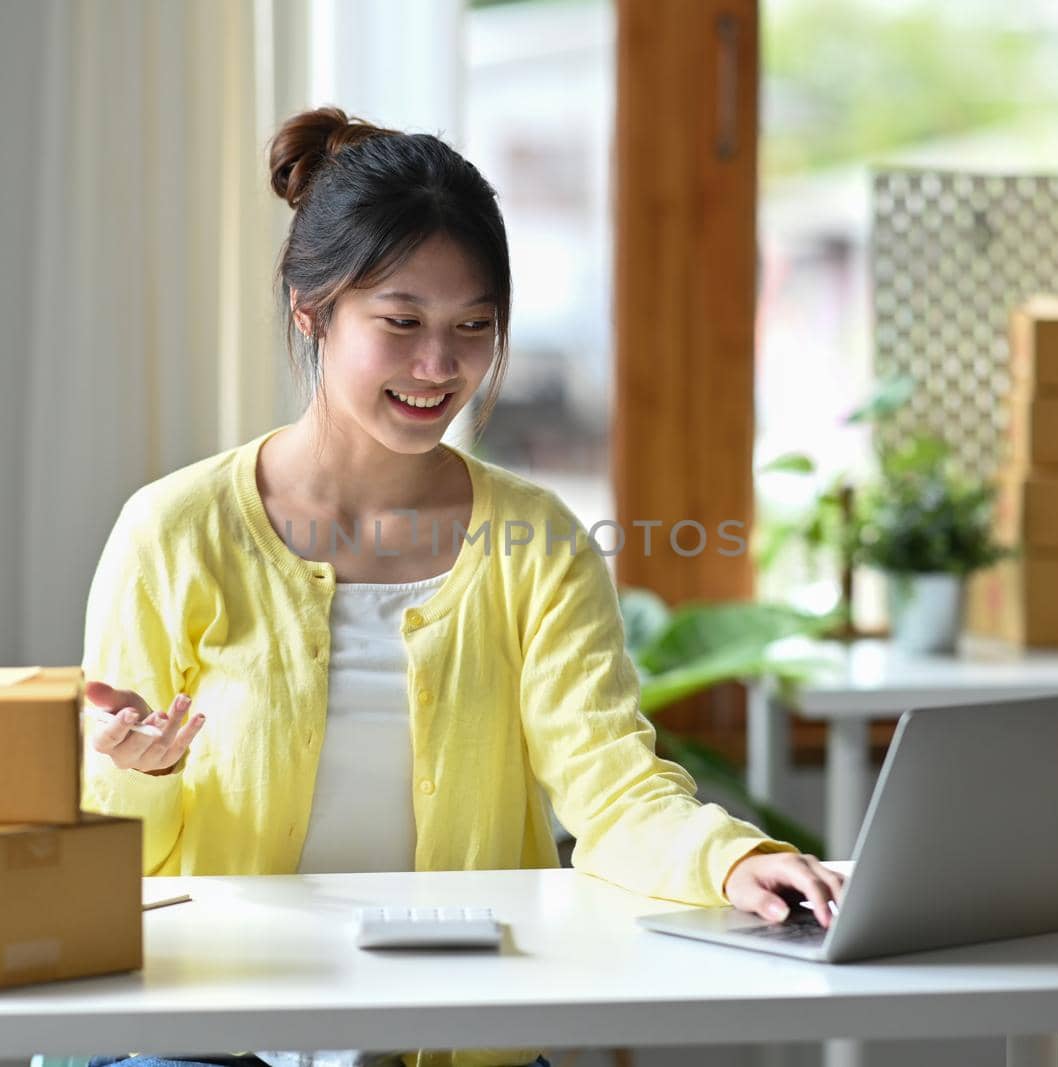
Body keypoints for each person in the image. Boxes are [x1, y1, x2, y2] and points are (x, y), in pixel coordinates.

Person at [78, 106, 844, 1067]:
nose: (439, 368)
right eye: (399, 323)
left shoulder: (540, 541)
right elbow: (110, 861)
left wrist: (733, 856)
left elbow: (609, 783)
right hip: (219, 1022)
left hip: (458, 1023)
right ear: (312, 309)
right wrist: (136, 769)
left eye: (472, 326)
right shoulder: (174, 530)